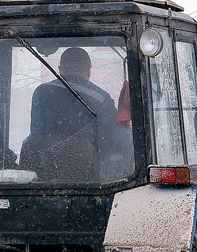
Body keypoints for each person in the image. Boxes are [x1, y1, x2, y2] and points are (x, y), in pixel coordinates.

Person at [20, 47, 132, 182]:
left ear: (60, 69)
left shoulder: (41, 93)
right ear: (89, 69)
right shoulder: (101, 98)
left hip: (45, 177)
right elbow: (116, 138)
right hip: (90, 181)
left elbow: (37, 135)